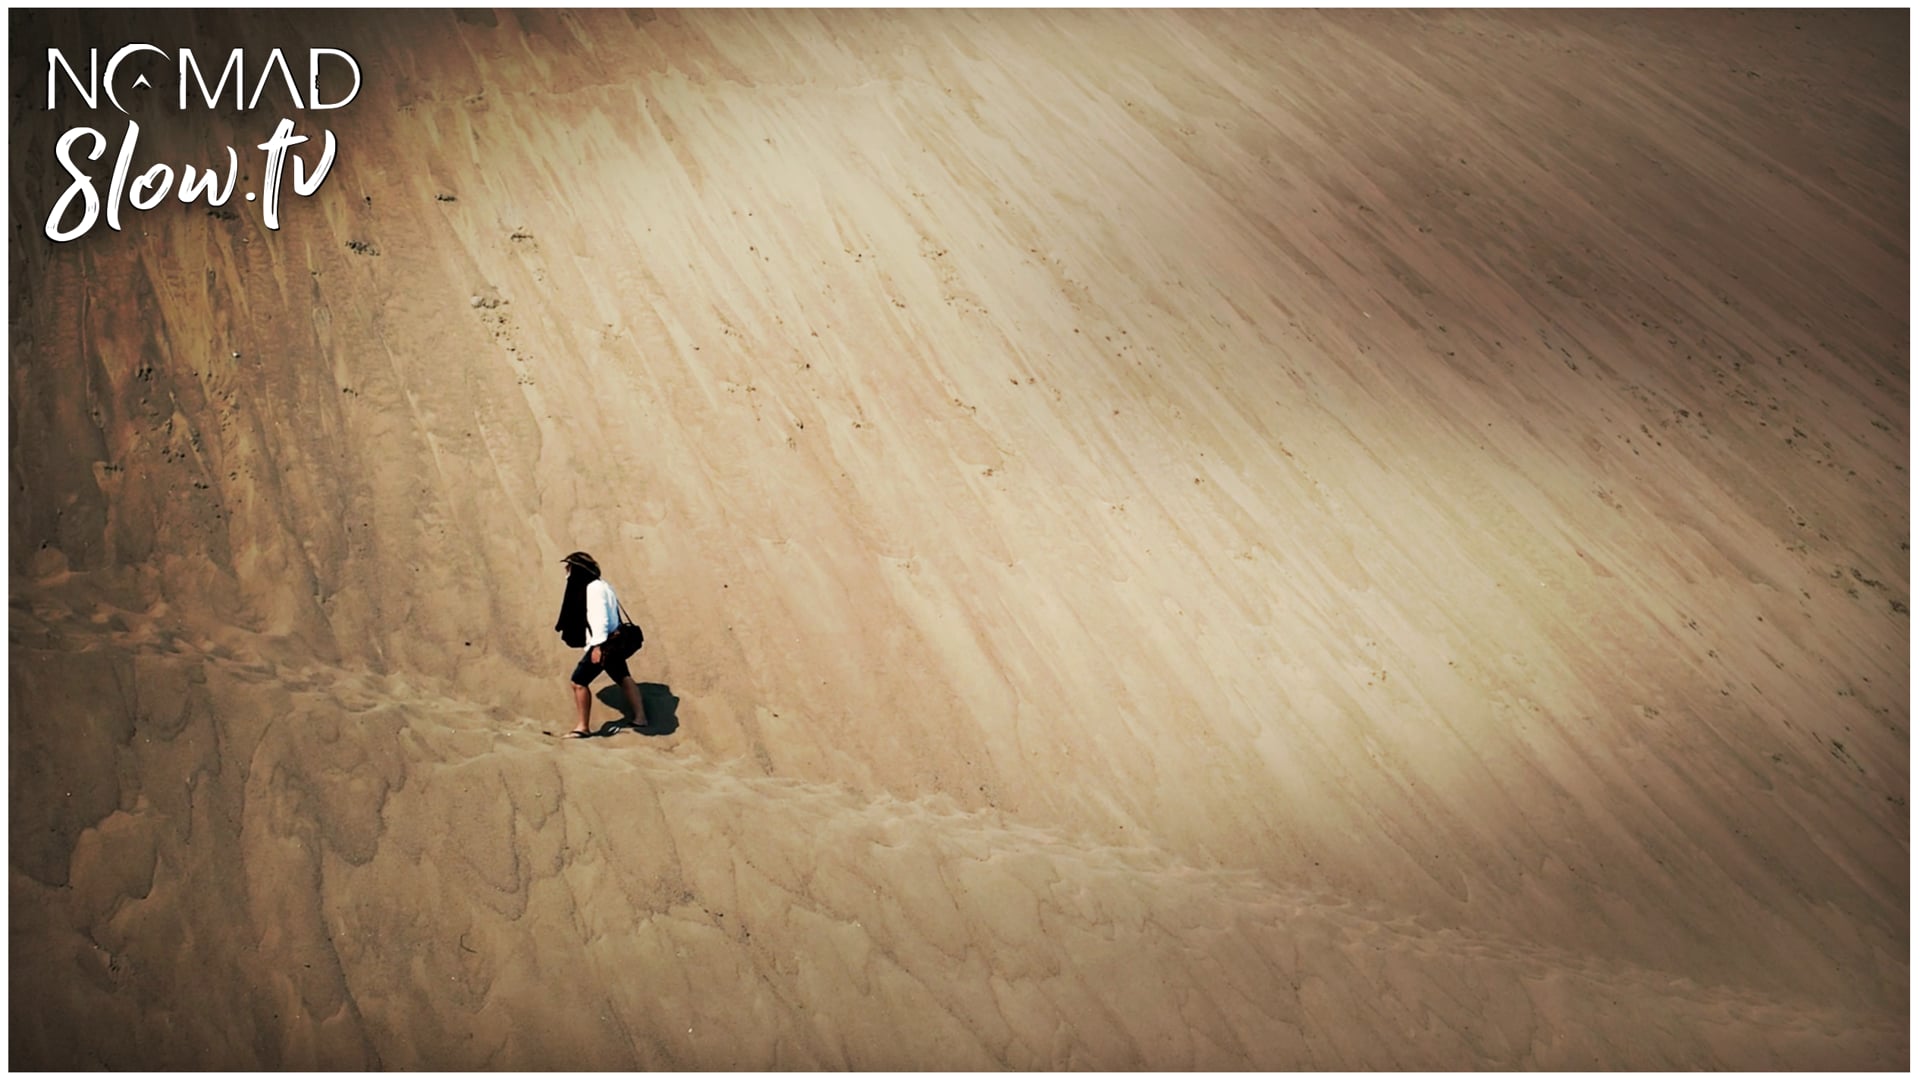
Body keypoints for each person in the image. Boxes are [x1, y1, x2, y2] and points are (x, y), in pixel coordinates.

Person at [553, 551, 646, 738]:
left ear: (577, 569)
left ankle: (582, 728)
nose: (566, 571)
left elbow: (600, 619)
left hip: (604, 644)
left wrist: (597, 647)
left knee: (578, 682)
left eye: (568, 567)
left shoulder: (593, 588)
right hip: (614, 642)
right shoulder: (603, 585)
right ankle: (641, 718)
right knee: (623, 677)